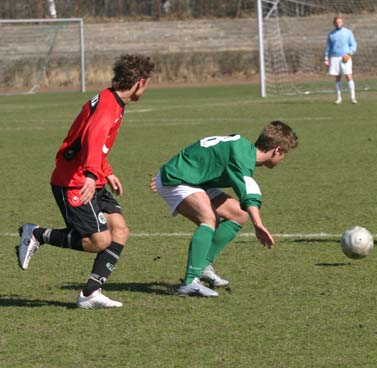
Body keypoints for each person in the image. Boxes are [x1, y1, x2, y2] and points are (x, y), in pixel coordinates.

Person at [17, 54, 155, 308]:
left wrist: (105, 171)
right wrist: (92, 174)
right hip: (75, 180)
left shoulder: (111, 100)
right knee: (99, 241)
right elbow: (92, 137)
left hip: (91, 176)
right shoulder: (108, 106)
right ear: (140, 82)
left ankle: (90, 293)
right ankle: (36, 234)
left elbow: (94, 143)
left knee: (120, 231)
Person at [151, 121, 298, 296]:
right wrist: (258, 224)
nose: (283, 159)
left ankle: (202, 266)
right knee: (209, 219)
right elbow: (249, 191)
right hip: (179, 179)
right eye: (284, 154)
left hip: (193, 178)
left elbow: (203, 153)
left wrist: (175, 168)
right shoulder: (242, 157)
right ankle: (190, 282)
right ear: (277, 150)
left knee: (239, 214)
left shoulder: (242, 148)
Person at [323, 15, 358, 104]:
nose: (339, 24)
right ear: (334, 23)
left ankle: (353, 98)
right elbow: (328, 47)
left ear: (343, 23)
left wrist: (349, 54)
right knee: (337, 77)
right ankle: (339, 98)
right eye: (337, 22)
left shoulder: (348, 32)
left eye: (340, 22)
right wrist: (326, 58)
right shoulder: (331, 34)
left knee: (348, 75)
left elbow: (353, 45)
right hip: (334, 57)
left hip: (345, 57)